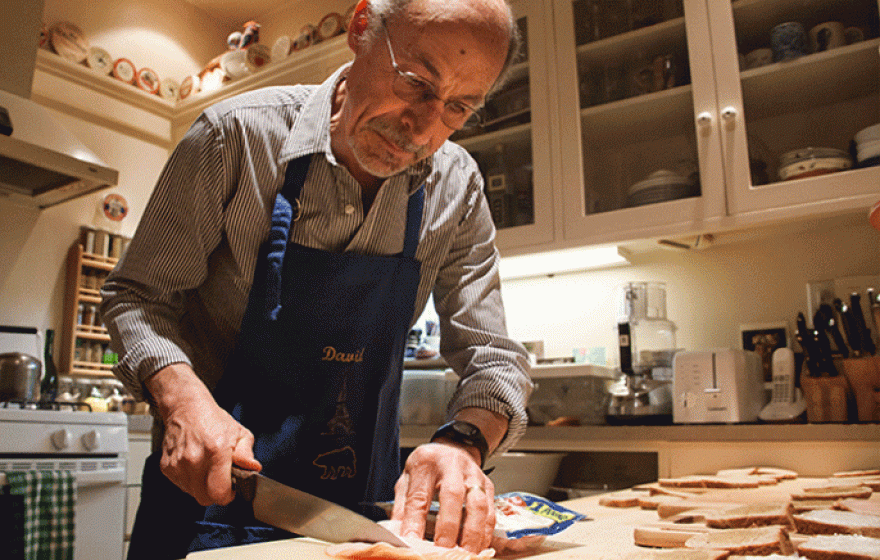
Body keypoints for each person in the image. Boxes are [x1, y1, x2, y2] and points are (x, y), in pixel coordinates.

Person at [100, 0, 532, 557]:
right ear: (360, 29)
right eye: (417, 84)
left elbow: (494, 356)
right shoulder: (233, 138)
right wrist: (181, 399)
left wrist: (465, 442)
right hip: (204, 504)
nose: (423, 129)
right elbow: (137, 298)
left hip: (359, 520)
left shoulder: (458, 185)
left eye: (458, 108)